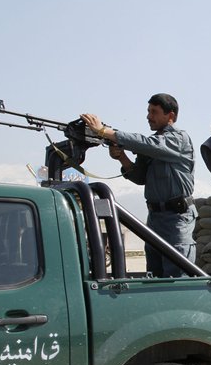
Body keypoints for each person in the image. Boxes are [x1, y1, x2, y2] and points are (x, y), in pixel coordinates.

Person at [81, 94, 197, 278]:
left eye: (154, 112)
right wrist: (122, 157)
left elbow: (147, 144)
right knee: (155, 274)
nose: (149, 116)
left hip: (176, 218)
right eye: (148, 111)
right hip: (155, 218)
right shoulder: (152, 144)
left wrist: (104, 131)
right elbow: (140, 177)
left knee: (177, 276)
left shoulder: (178, 139)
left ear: (171, 116)